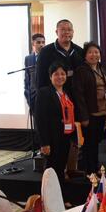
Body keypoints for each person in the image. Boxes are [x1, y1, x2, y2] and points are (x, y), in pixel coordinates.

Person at [35, 62, 75, 191]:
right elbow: (40, 119)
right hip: (51, 139)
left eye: (62, 74)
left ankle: (60, 198)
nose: (60, 77)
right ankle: (47, 200)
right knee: (50, 171)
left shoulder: (67, 93)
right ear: (50, 77)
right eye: (56, 74)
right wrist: (44, 143)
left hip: (65, 137)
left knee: (61, 169)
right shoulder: (44, 93)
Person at [73, 42, 106, 175]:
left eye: (96, 52)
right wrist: (84, 117)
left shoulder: (101, 68)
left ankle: (94, 169)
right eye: (90, 52)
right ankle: (89, 172)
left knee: (95, 143)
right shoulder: (81, 71)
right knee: (89, 145)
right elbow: (79, 96)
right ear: (85, 55)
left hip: (102, 112)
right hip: (90, 114)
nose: (94, 55)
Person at [36, 19, 84, 95]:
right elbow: (40, 79)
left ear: (73, 32)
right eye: (63, 30)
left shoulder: (79, 51)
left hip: (76, 96)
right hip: (54, 96)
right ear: (56, 32)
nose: (67, 32)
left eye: (69, 30)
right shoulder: (46, 52)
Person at [24, 33, 45, 113]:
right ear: (33, 44)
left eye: (43, 42)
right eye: (38, 42)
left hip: (45, 98)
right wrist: (28, 96)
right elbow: (27, 79)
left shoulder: (48, 57)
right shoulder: (28, 59)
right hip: (33, 99)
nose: (41, 45)